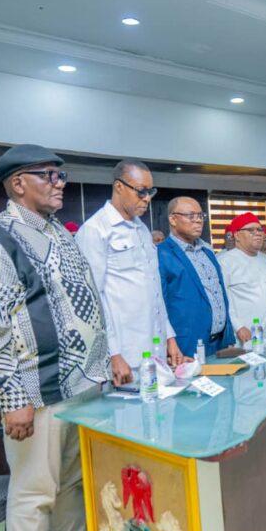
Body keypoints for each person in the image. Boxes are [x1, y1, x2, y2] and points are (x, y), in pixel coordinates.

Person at [0, 144, 110, 531]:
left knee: (71, 484)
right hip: (36, 390)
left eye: (61, 175)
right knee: (34, 493)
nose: (59, 183)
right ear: (18, 183)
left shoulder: (58, 232)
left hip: (81, 385)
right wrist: (13, 398)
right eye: (49, 175)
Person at [76, 159, 184, 382]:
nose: (147, 198)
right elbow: (93, 299)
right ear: (119, 186)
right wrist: (113, 353)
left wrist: (169, 337)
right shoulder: (95, 230)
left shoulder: (141, 228)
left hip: (154, 350)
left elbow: (154, 289)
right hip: (125, 356)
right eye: (141, 191)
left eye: (150, 191)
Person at [158, 197, 235, 357]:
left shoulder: (207, 251)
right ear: (173, 219)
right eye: (191, 216)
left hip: (219, 342)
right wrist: (169, 343)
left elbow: (218, 293)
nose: (198, 221)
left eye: (200, 216)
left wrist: (228, 334)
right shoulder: (161, 254)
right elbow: (159, 305)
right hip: (186, 346)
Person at [219, 212, 266, 342]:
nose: (258, 233)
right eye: (251, 230)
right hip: (246, 335)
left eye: (259, 230)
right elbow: (222, 300)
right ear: (237, 235)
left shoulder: (264, 260)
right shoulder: (225, 262)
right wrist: (238, 327)